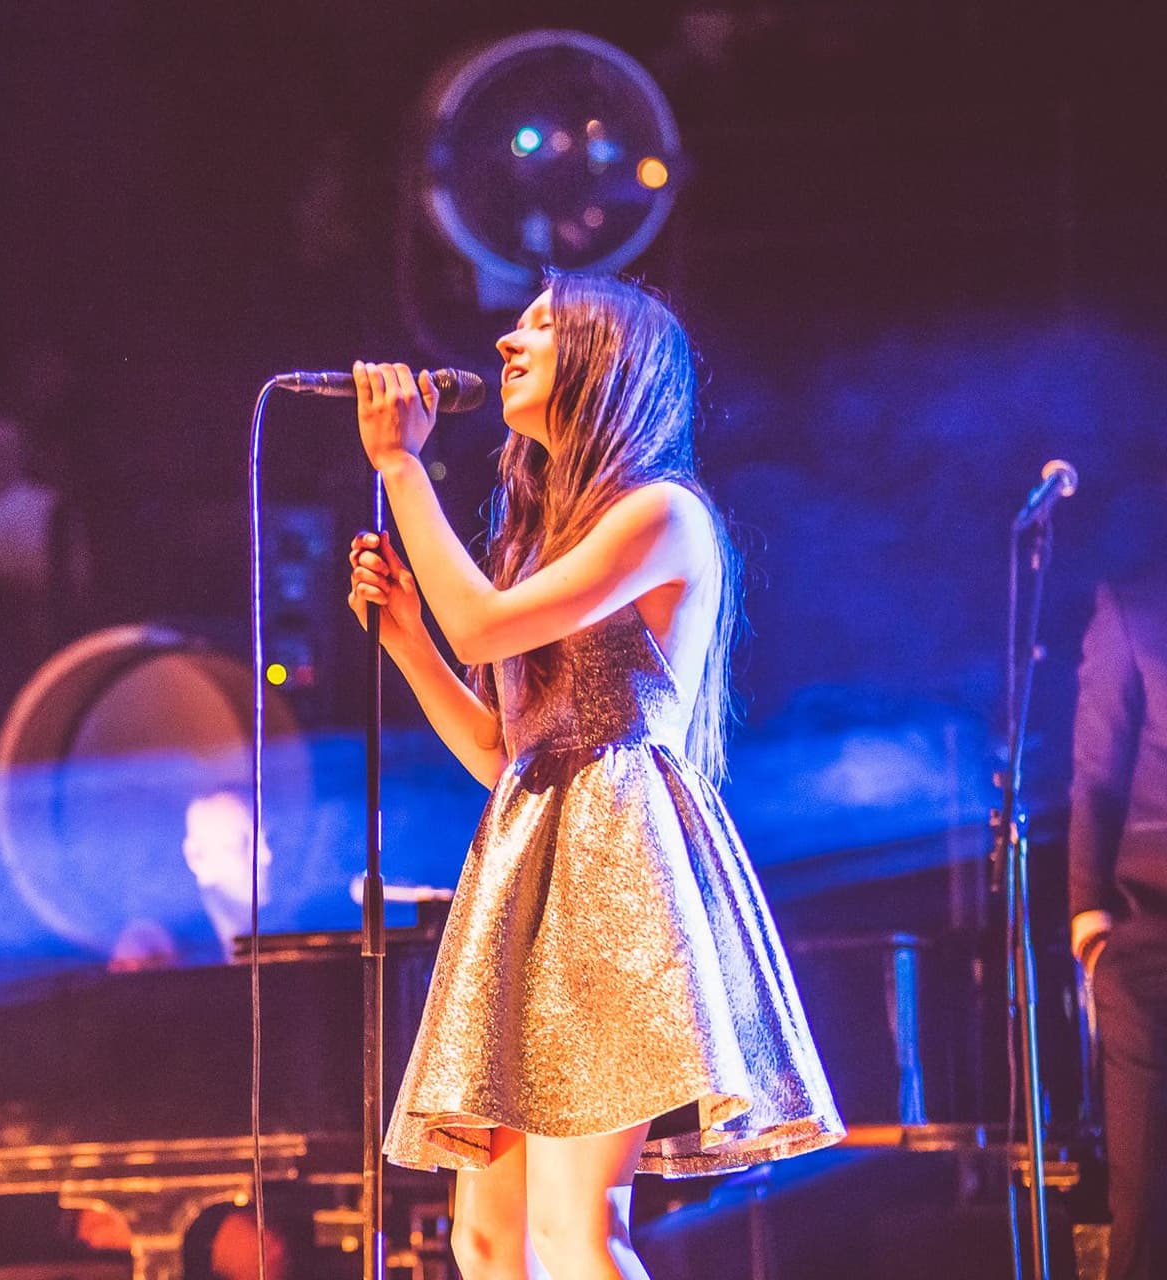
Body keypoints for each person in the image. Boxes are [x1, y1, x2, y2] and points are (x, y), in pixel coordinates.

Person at [346, 273, 841, 1280]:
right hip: (528, 862)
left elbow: (482, 620)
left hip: (615, 866)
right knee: (483, 1239)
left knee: (575, 1232)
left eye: (539, 325)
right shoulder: (538, 536)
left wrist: (401, 464)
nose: (505, 340)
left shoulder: (662, 514)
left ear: (605, 360)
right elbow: (504, 749)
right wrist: (404, 635)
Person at [1070, 568, 1167, 1280]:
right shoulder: (1137, 599)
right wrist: (1090, 920)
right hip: (1150, 942)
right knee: (1147, 1208)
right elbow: (1095, 773)